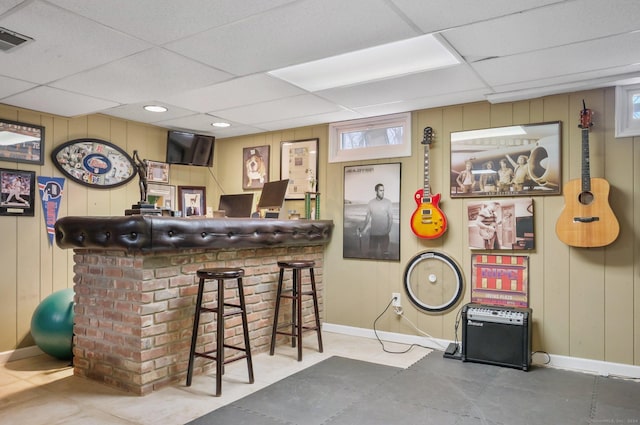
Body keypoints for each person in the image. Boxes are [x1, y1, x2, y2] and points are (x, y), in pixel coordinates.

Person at [358, 183, 393, 258]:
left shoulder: (388, 202)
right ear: (376, 191)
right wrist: (363, 229)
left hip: (384, 234)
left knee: (385, 255)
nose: (382, 192)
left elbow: (390, 217)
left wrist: (388, 230)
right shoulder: (371, 203)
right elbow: (367, 217)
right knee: (372, 255)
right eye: (380, 190)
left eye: (383, 190)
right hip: (373, 234)